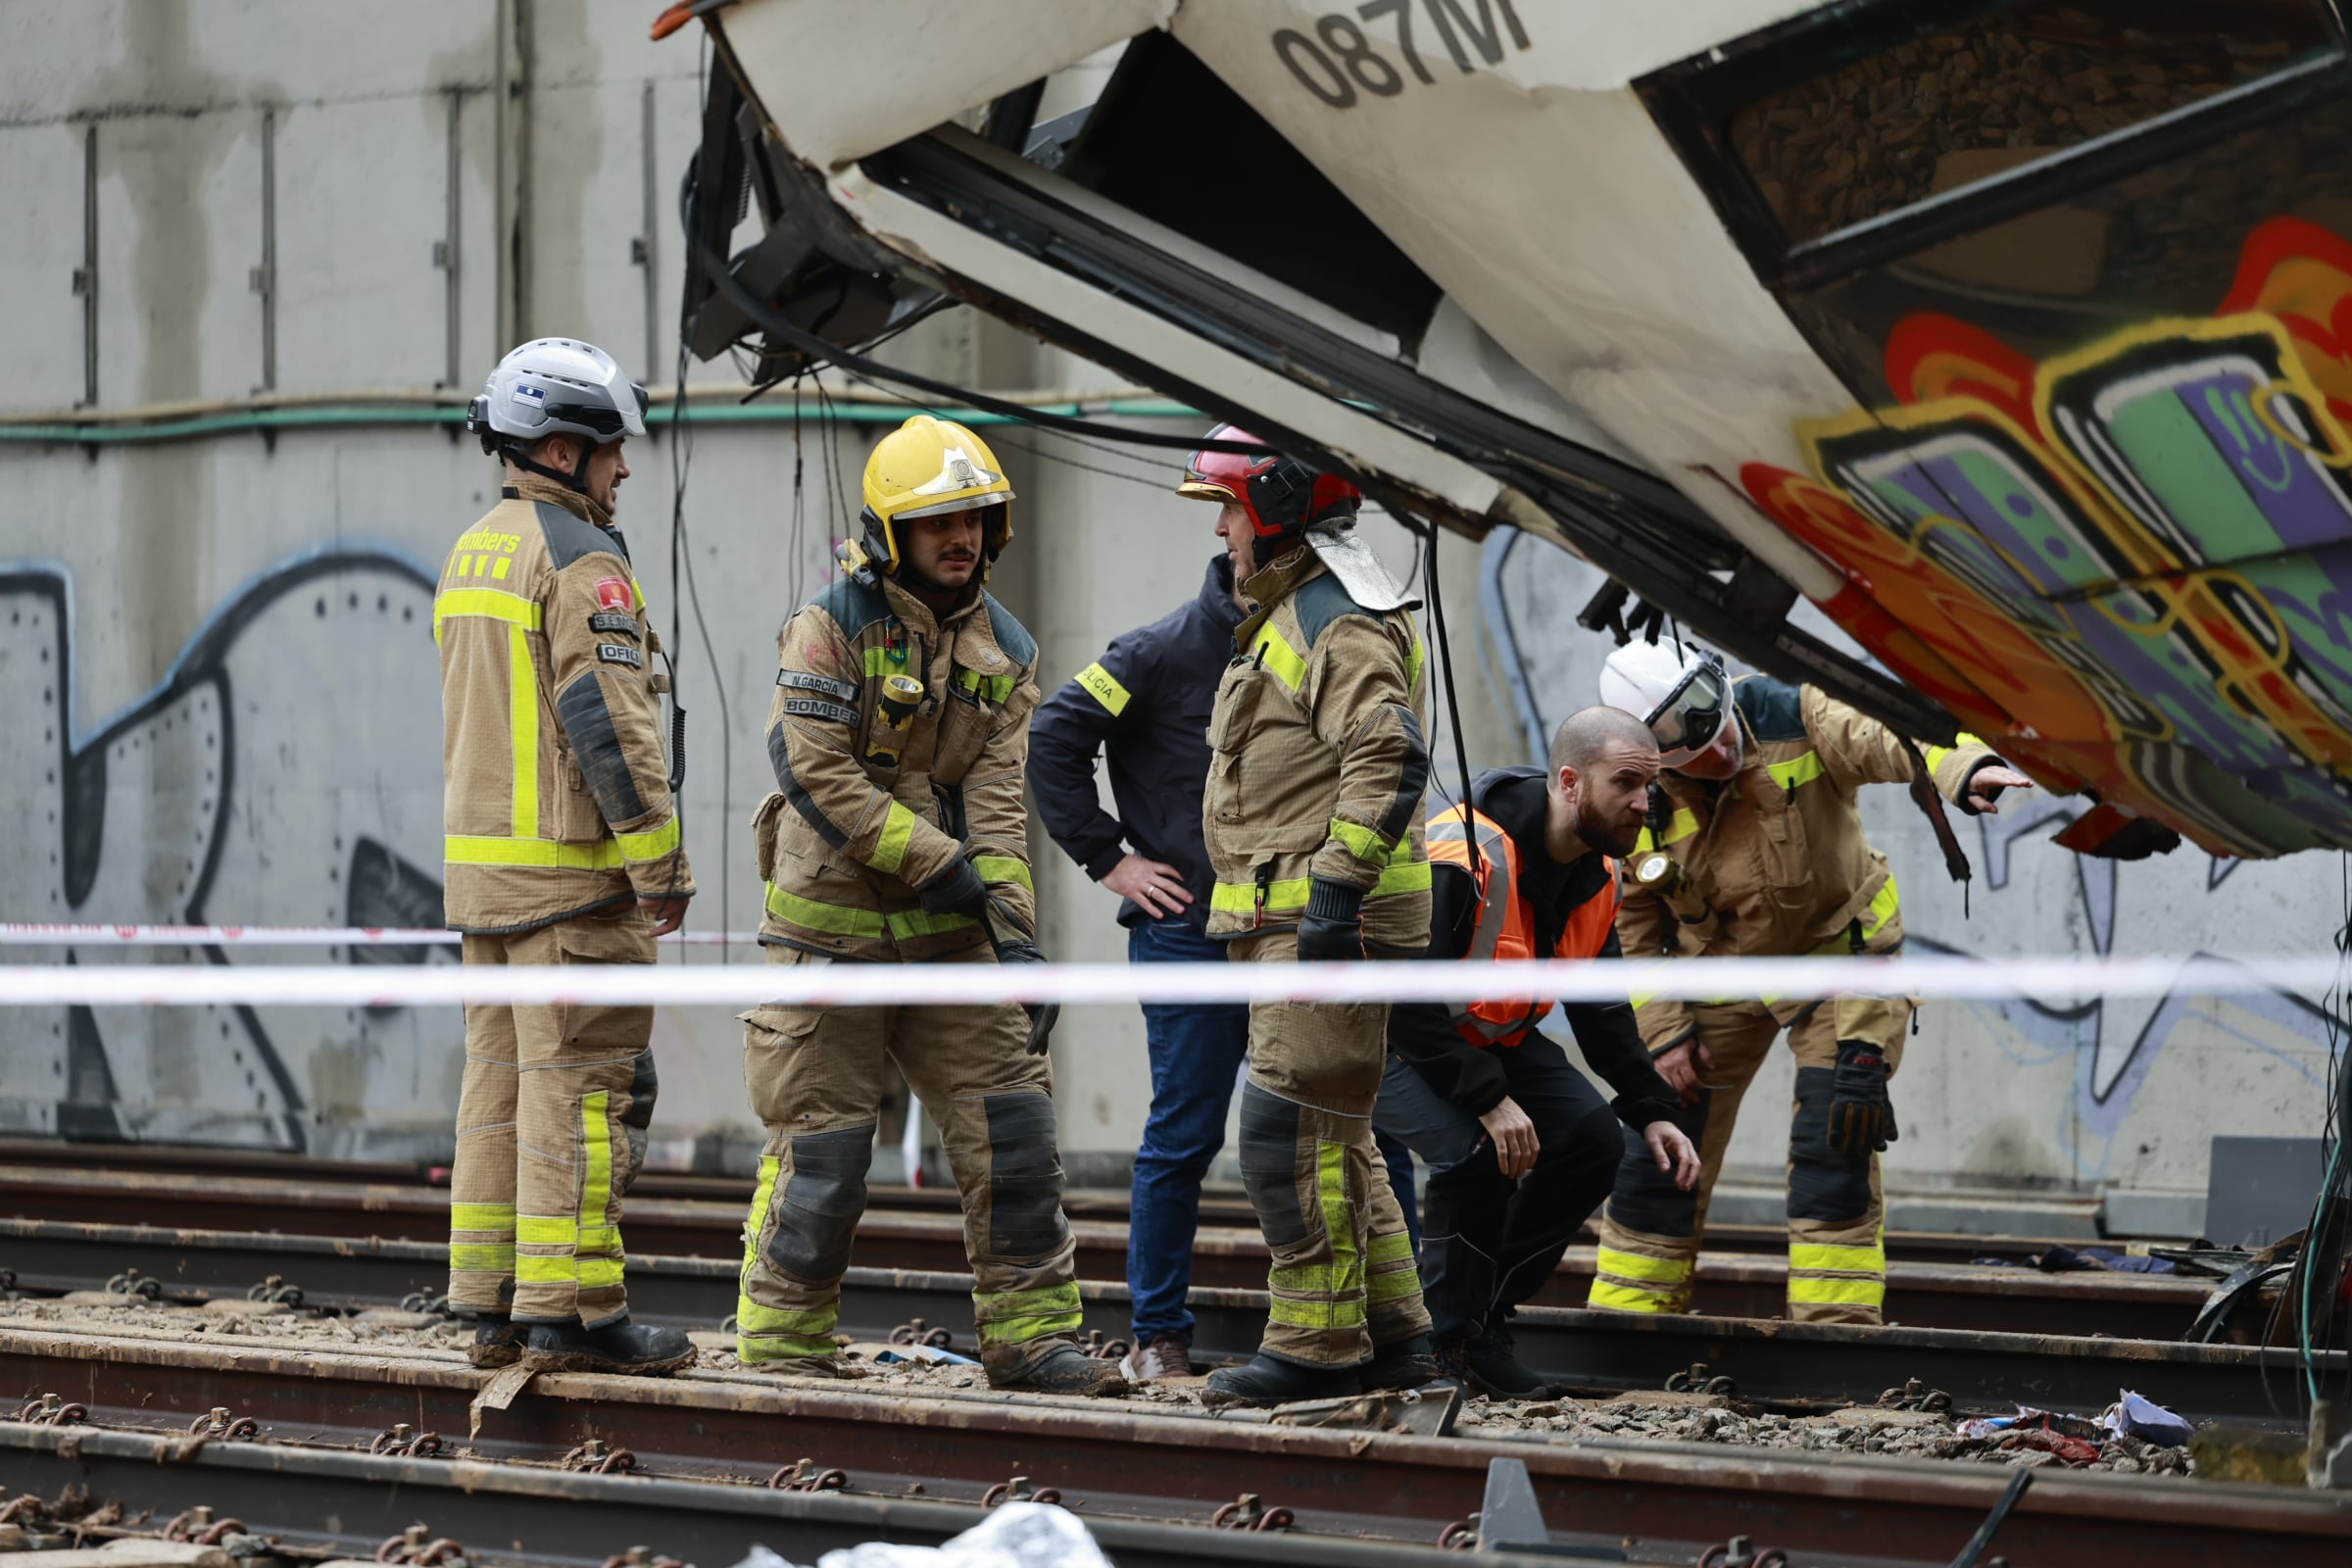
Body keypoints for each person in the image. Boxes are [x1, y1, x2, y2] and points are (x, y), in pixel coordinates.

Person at [733, 414, 1121, 1396]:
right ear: (890, 533)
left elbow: (998, 809)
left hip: (953, 939)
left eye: (975, 519)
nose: (961, 539)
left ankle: (1032, 1339)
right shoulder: (827, 627)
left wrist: (1016, 943)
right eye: (939, 522)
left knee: (1015, 1131)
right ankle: (783, 1349)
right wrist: (936, 860)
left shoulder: (1007, 649)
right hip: (830, 936)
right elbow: (812, 772)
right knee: (823, 1154)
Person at [1029, 550, 1422, 1383]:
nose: (1223, 530)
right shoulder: (1159, 650)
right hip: (1192, 934)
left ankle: (1398, 1334)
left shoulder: (1316, 633)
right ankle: (1158, 1335)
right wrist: (1111, 860)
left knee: (1357, 1124)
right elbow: (1053, 735)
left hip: (1290, 925)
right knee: (1187, 1133)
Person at [1588, 640, 2032, 1324]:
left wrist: (1964, 766)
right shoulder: (1636, 797)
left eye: (1716, 720)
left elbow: (1893, 728)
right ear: (1651, 757)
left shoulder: (1792, 714)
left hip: (1840, 960)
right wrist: (1665, 1033)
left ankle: (1836, 1340)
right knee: (1660, 1144)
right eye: (1689, 746)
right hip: (1720, 968)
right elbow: (1632, 925)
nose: (1720, 747)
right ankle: (1626, 1327)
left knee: (1837, 1142)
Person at [439, 337, 694, 1375]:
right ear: (558, 449)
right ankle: (576, 1311)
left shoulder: (473, 550)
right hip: (574, 888)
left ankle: (490, 1303)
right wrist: (661, 866)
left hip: (487, 890)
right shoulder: (582, 559)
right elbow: (611, 725)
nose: (624, 466)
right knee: (585, 1097)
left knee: (499, 1095)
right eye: (609, 447)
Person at [1175, 423, 1436, 1405]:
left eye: (1230, 511)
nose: (1223, 533)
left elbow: (1388, 752)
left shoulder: (1334, 618)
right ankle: (1398, 1335)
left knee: (1286, 1135)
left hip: (1321, 928)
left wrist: (1334, 896)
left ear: (1277, 509)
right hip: (1294, 925)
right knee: (1338, 1134)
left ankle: (1314, 1345)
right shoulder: (1300, 610)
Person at [1375, 707, 1702, 1396]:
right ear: (1570, 782)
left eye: (1649, 786)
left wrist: (1651, 1108)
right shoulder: (1463, 852)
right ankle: (1442, 1344)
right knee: (1475, 1153)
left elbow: (1602, 1008)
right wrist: (1488, 1099)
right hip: (1388, 1037)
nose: (1644, 803)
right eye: (1626, 783)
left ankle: (1481, 1319)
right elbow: (1403, 997)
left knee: (1592, 1140)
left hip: (1485, 1041)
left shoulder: (1600, 871)